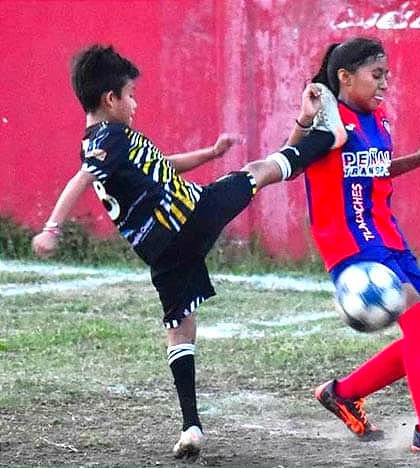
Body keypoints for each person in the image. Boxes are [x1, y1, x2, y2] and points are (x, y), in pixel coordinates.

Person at [31, 44, 344, 459]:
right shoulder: (109, 138)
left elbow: (161, 164)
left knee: (179, 329)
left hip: (162, 252)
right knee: (256, 172)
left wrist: (210, 155)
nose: (135, 103)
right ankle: (327, 136)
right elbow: (81, 179)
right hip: (191, 216)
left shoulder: (101, 141)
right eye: (130, 95)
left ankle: (191, 426)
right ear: (111, 99)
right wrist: (51, 228)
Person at [288, 37, 420, 456]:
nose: (384, 84)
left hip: (387, 236)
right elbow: (292, 163)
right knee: (417, 321)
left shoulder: (379, 121)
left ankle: (342, 393)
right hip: (349, 241)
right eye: (376, 75)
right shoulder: (328, 120)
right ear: (345, 77)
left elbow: (375, 171)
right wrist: (304, 122)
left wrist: (419, 158)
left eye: (386, 76)